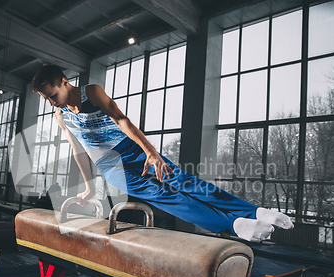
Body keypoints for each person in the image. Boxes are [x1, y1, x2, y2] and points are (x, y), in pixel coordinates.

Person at [31, 64, 293, 242]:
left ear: (65, 82)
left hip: (133, 150)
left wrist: (151, 152)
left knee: (180, 181)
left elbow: (122, 120)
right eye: (47, 99)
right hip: (110, 166)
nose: (52, 102)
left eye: (53, 94)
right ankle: (235, 225)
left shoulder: (91, 92)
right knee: (164, 196)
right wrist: (88, 187)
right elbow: (79, 150)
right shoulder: (61, 116)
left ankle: (255, 212)